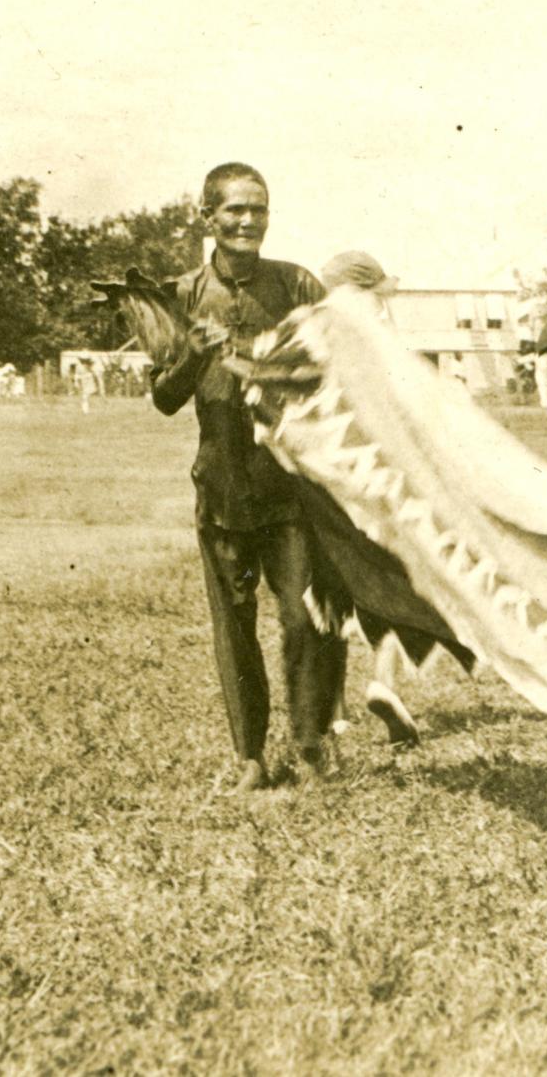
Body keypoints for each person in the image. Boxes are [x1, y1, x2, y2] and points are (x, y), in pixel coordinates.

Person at [152, 163, 341, 790]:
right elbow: (164, 396)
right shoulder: (179, 295)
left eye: (258, 208)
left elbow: (338, 371)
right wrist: (196, 354)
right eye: (234, 210)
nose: (248, 221)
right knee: (233, 628)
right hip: (220, 487)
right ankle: (251, 758)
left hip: (289, 486)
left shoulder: (297, 284)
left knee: (302, 620)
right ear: (207, 217)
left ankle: (311, 746)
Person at [316, 249, 422, 748]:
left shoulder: (319, 337)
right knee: (391, 586)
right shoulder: (379, 342)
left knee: (333, 590)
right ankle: (383, 680)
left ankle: (333, 709)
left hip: (330, 480)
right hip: (377, 478)